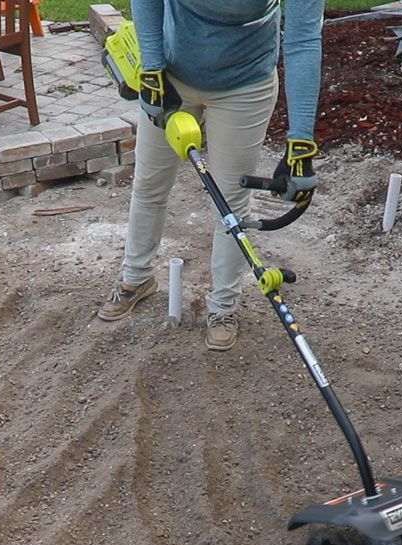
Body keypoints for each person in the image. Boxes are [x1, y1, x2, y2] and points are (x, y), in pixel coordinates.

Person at [97, 0, 324, 351]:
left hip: (245, 85)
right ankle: (136, 278)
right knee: (149, 184)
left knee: (231, 204)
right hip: (172, 73)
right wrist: (153, 68)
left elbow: (304, 39)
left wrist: (301, 142)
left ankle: (223, 307)